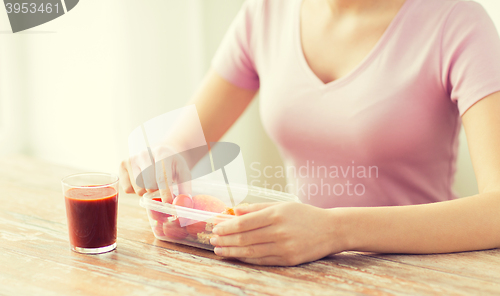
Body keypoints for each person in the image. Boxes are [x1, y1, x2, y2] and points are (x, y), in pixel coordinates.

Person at [120, 0, 500, 266]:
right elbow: (184, 146)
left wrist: (335, 231)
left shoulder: (458, 22)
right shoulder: (265, 13)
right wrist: (157, 162)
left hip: (425, 270)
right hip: (301, 268)